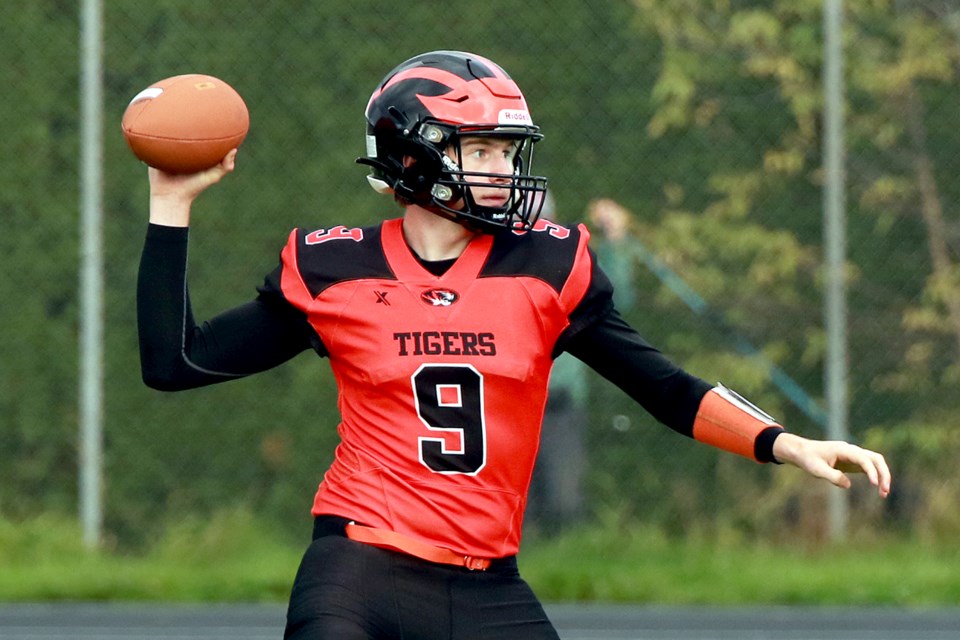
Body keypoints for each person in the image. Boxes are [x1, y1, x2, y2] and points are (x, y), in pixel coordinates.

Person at [137, 50, 891, 640]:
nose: (504, 171)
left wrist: (784, 443)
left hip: (486, 583)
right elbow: (176, 363)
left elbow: (661, 385)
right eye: (485, 151)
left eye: (507, 152)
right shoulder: (333, 269)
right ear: (413, 153)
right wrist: (170, 205)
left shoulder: (547, 268)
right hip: (356, 568)